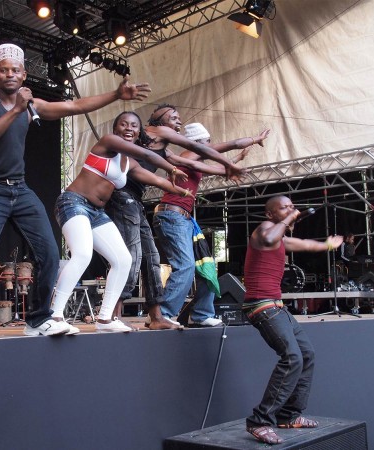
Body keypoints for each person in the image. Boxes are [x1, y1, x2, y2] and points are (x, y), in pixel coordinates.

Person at [0, 43, 152, 340]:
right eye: (3, 70)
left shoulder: (33, 106)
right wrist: (17, 108)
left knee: (50, 253)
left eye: (15, 70)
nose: (9, 75)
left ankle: (39, 318)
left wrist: (116, 95)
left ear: (24, 74)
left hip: (19, 188)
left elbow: (75, 106)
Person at [106, 104, 247, 330]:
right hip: (159, 211)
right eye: (173, 117)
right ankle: (116, 316)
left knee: (182, 264)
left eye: (134, 125)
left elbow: (182, 164)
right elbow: (200, 151)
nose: (178, 121)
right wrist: (236, 152)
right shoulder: (168, 137)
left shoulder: (166, 151)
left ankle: (182, 314)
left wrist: (232, 165)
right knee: (150, 261)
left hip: (173, 214)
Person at [51, 111, 192, 333]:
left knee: (123, 259)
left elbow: (154, 179)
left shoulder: (129, 163)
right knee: (83, 254)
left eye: (134, 126)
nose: (129, 128)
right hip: (73, 202)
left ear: (139, 131)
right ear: (116, 129)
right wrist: (171, 168)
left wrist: (182, 192)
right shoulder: (108, 142)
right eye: (123, 124)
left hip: (96, 212)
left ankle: (105, 319)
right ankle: (55, 316)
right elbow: (150, 157)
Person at [242, 195, 343, 444]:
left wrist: (328, 245)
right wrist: (290, 218)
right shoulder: (264, 230)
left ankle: (289, 415)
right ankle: (260, 420)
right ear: (270, 214)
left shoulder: (282, 239)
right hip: (261, 306)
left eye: (292, 206)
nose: (291, 209)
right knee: (292, 357)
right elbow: (269, 237)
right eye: (284, 207)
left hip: (277, 307)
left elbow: (307, 245)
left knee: (306, 354)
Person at [153, 123, 270, 327]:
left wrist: (235, 161)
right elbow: (230, 144)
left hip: (184, 218)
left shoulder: (191, 160)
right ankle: (162, 314)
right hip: (172, 216)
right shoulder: (190, 155)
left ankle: (201, 314)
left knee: (206, 266)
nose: (209, 145)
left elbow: (211, 169)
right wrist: (254, 139)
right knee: (186, 265)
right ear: (197, 142)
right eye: (207, 142)